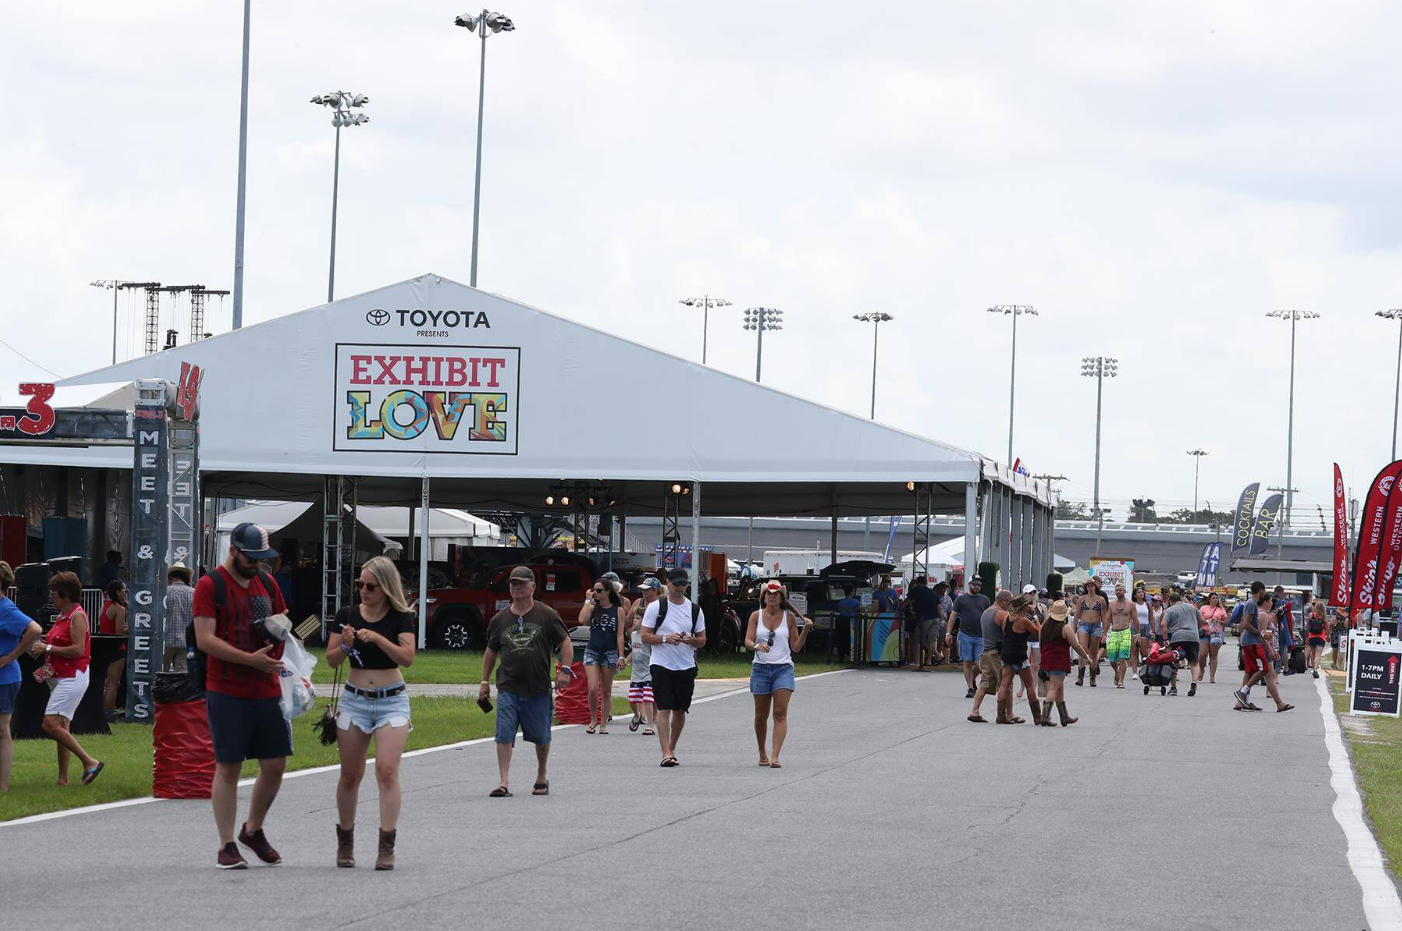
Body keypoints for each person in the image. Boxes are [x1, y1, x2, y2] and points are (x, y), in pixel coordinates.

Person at [192, 522, 290, 869]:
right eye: (252, 558)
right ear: (233, 550)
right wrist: (251, 659)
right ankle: (226, 843)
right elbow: (205, 639)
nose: (257, 565)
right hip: (227, 688)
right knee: (228, 765)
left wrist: (278, 635)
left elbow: (282, 615)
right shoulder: (210, 585)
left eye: (263, 559)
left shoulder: (267, 582)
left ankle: (254, 830)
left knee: (276, 763)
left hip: (266, 686)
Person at [327, 555, 416, 870]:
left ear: (386, 588)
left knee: (386, 771)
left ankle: (386, 845)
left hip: (392, 700)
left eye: (371, 586)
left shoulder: (401, 616)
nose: (363, 590)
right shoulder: (347, 614)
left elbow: (407, 657)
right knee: (350, 775)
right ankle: (345, 842)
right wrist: (347, 645)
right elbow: (332, 660)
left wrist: (378, 638)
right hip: (354, 700)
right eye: (360, 584)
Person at [480, 566, 572, 796]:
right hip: (508, 686)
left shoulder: (547, 615)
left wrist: (565, 670)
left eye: (521, 583)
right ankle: (503, 782)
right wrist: (484, 681)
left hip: (538, 686)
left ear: (533, 587)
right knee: (504, 733)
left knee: (541, 735)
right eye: (513, 584)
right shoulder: (500, 619)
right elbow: (491, 651)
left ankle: (541, 775)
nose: (516, 587)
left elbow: (565, 643)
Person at [30, 571, 103, 786]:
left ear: (66, 595)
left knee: (49, 724)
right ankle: (63, 779)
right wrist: (43, 644)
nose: (51, 597)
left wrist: (48, 647)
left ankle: (89, 761)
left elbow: (78, 650)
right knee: (62, 726)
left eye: (54, 593)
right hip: (60, 676)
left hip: (72, 677)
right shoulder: (63, 616)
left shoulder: (77, 616)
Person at [641, 568, 708, 767]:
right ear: (667, 584)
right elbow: (645, 636)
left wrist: (691, 640)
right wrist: (665, 638)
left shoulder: (694, 609)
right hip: (661, 664)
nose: (679, 588)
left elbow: (703, 640)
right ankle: (665, 753)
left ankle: (672, 747)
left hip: (686, 666)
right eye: (676, 584)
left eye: (683, 584)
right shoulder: (656, 607)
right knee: (664, 709)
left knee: (680, 711)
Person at [745, 579, 815, 767]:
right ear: (764, 597)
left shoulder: (789, 617)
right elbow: (747, 641)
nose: (772, 596)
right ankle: (762, 752)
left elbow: (796, 647)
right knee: (761, 715)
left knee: (780, 713)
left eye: (776, 594)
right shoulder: (756, 616)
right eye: (769, 593)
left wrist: (805, 630)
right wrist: (756, 646)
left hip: (783, 668)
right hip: (760, 668)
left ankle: (775, 756)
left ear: (781, 597)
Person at [0, 561, 42, 792]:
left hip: (4, 678)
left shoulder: (6, 608)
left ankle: (2, 786)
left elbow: (34, 629)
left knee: (2, 729)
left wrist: (10, 656)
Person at [1232, 583, 1292, 713]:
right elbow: (1247, 624)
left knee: (1251, 671)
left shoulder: (1253, 606)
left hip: (1251, 641)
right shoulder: (1253, 605)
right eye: (1269, 599)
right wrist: (1261, 635)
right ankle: (1243, 692)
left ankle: (1243, 701)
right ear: (1261, 591)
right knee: (1264, 669)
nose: (1271, 603)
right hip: (1253, 642)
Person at [579, 577, 626, 734]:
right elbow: (582, 620)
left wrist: (621, 655)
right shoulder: (592, 608)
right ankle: (593, 719)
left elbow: (620, 635)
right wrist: (587, 601)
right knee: (593, 688)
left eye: (599, 591)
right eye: (594, 590)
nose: (596, 593)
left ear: (607, 592)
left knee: (606, 690)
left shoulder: (618, 610)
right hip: (592, 650)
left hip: (610, 652)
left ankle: (603, 723)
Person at [1036, 598, 1091, 726]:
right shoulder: (1065, 628)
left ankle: (1064, 716)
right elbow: (1076, 646)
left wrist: (1043, 658)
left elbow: (1041, 644)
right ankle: (1044, 716)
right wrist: (1086, 657)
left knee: (1059, 687)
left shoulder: (1043, 626)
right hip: (1059, 660)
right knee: (1054, 688)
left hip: (1047, 660)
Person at [997, 595, 1042, 725]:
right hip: (1019, 655)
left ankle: (1001, 715)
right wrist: (1034, 616)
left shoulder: (1007, 618)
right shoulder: (1024, 621)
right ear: (1024, 607)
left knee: (1004, 684)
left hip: (1007, 654)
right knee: (1029, 684)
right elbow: (1039, 633)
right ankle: (1037, 716)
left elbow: (1006, 634)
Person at [624, 577, 661, 736]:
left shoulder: (661, 604)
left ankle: (652, 720)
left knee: (649, 695)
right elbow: (628, 620)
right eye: (643, 589)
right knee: (634, 697)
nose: (644, 592)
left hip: (650, 662)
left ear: (655, 590)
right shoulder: (638, 603)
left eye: (647, 589)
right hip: (637, 663)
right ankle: (640, 715)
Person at [967, 589, 1010, 723]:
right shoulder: (1002, 614)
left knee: (984, 683)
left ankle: (974, 711)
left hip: (985, 651)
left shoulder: (986, 612)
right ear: (1004, 601)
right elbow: (1006, 633)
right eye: (1010, 602)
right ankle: (1005, 714)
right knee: (1005, 684)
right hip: (996, 653)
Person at [948, 577, 989, 698]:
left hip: (981, 635)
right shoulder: (961, 599)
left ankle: (972, 679)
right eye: (975, 584)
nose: (977, 587)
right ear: (969, 584)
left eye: (979, 585)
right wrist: (948, 633)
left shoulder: (984, 599)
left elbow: (988, 616)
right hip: (965, 634)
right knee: (967, 662)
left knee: (980, 663)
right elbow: (953, 616)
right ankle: (970, 688)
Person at [1162, 590, 1202, 696]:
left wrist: (1166, 639)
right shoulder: (1192, 607)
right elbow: (1202, 620)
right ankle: (1194, 682)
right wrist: (1197, 629)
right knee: (1194, 662)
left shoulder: (1170, 610)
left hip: (1177, 637)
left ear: (1170, 601)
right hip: (1193, 637)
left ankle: (1174, 688)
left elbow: (1163, 625)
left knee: (1174, 662)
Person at [97, 579, 128, 714]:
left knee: (110, 682)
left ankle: (110, 707)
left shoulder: (105, 606)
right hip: (117, 648)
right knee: (113, 684)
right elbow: (119, 632)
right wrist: (132, 627)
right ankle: (108, 711)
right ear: (118, 592)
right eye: (124, 591)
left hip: (105, 647)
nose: (126, 593)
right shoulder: (119, 609)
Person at [1073, 577, 1107, 687]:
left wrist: (1105, 631)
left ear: (1095, 587)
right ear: (1086, 587)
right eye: (1088, 585)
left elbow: (1104, 616)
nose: (1090, 587)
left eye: (1092, 585)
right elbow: (1077, 614)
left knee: (1093, 652)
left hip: (1096, 626)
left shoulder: (1101, 599)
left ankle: (1093, 677)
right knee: (1082, 650)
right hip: (1083, 625)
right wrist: (1074, 627)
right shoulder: (1081, 599)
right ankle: (1080, 677)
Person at [163, 563, 194, 672]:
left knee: (160, 675)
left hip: (165, 641)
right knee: (180, 678)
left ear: (170, 577)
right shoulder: (194, 593)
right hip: (185, 642)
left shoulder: (164, 592)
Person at [1104, 583, 1135, 688]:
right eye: (1117, 590)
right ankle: (1117, 673)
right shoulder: (1111, 604)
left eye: (1120, 590)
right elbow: (1107, 619)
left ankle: (1121, 681)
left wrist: (1138, 634)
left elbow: (1136, 620)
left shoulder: (1130, 604)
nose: (1118, 592)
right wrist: (1104, 634)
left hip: (1125, 632)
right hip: (1114, 632)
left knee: (1123, 658)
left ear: (1124, 591)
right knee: (1112, 659)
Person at [906, 576, 940, 670]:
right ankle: (930, 659)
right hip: (936, 618)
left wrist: (899, 607)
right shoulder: (933, 592)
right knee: (932, 639)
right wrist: (940, 618)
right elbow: (939, 607)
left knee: (919, 637)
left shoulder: (916, 590)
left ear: (918, 583)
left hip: (925, 618)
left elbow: (906, 601)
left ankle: (933, 656)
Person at [1198, 592, 1229, 683]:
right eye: (1213, 598)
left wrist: (1218, 621)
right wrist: (1206, 621)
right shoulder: (1204, 608)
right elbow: (1199, 618)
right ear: (1209, 600)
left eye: (1217, 598)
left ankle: (1212, 676)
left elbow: (1226, 622)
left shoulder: (1221, 609)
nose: (1215, 600)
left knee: (1213, 655)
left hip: (1216, 634)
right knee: (1202, 654)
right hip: (1205, 633)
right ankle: (1202, 669)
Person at [1274, 586, 1297, 675]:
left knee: (1280, 650)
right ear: (1281, 592)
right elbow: (1287, 618)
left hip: (1273, 628)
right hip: (1281, 629)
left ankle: (1279, 671)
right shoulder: (1282, 603)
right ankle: (1276, 673)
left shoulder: (1272, 602)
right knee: (1280, 649)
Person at [1129, 587, 1152, 679]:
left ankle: (1144, 670)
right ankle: (1134, 672)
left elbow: (1151, 618)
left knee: (1144, 652)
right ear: (1135, 595)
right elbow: (1129, 617)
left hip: (1145, 627)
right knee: (1134, 651)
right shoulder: (1133, 604)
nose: (1141, 593)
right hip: (1135, 627)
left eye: (1142, 592)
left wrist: (1153, 630)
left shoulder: (1148, 604)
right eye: (1139, 592)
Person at [1304, 596, 1328, 678]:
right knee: (1318, 654)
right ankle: (1315, 669)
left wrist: (1307, 634)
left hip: (1311, 636)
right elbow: (1326, 628)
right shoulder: (1324, 617)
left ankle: (1312, 665)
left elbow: (1308, 625)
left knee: (1313, 653)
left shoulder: (1311, 615)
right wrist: (1327, 635)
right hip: (1320, 637)